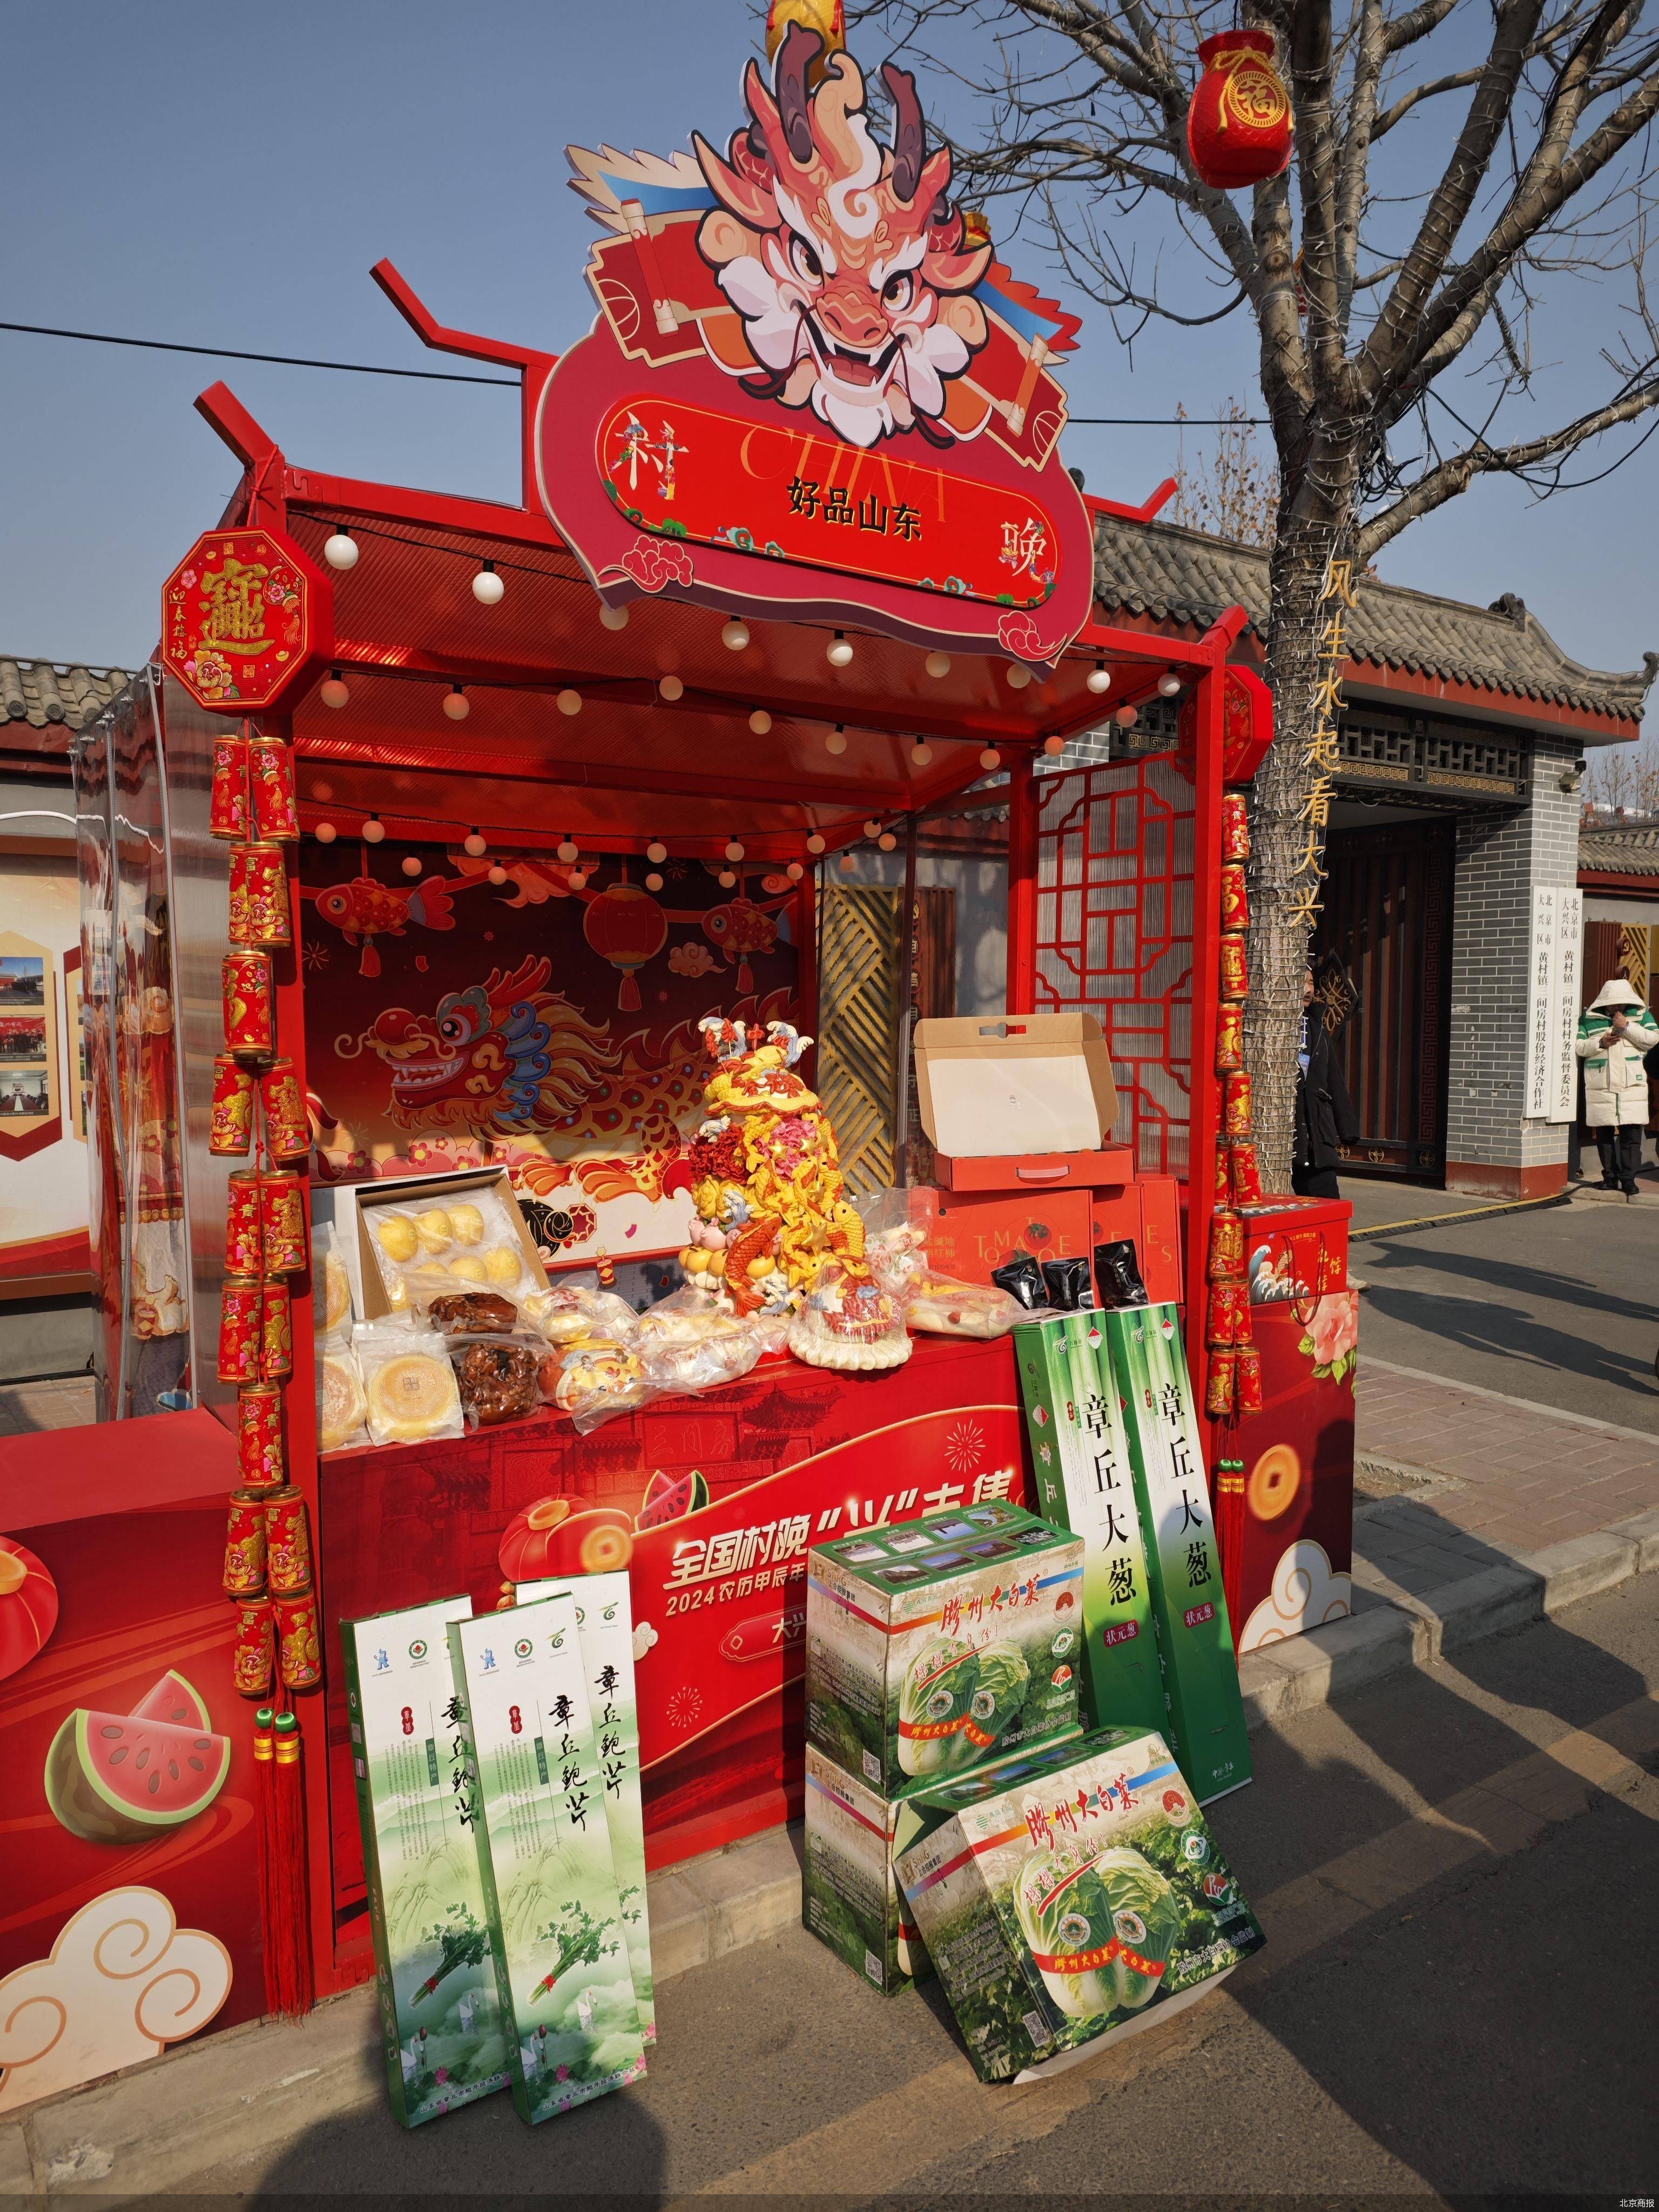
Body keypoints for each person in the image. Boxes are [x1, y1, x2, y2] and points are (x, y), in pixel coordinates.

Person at [1576, 976, 1659, 1198]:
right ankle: (1609, 1178)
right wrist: (1600, 1043)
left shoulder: (1642, 1015)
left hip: (1631, 1085)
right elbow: (1579, 1046)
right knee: (1603, 1133)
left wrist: (1627, 1027)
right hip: (1601, 1085)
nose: (1618, 1007)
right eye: (1614, 1003)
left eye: (1622, 1003)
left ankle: (1629, 1180)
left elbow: (1653, 1040)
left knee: (1631, 1135)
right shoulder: (1588, 1018)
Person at [1292, 966, 1360, 1199]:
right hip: (1287, 1135)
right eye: (1302, 982)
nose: (1308, 989)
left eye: (1311, 983)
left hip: (1318, 1136)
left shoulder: (1318, 1027)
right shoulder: (1272, 1028)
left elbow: (1335, 1080)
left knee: (1327, 1204)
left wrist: (1348, 1130)